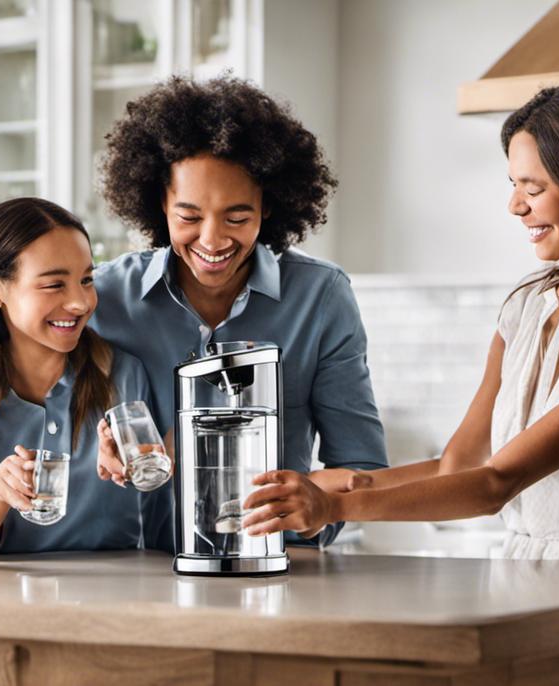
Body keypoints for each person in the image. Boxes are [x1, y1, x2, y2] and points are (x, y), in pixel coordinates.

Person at [243, 75, 559, 561]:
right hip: (533, 584)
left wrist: (337, 508)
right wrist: (350, 485)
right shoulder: (528, 308)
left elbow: (495, 484)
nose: (515, 205)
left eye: (534, 187)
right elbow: (458, 465)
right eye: (514, 184)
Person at [90, 75, 387, 550]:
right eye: (188, 217)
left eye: (237, 217)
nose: (212, 241)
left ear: (268, 205)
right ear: (157, 202)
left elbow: (362, 470)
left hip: (280, 576)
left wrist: (316, 511)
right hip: (140, 576)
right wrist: (98, 453)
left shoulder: (321, 298)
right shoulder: (104, 297)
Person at [0, 197, 156, 558]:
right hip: (2, 604)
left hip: (115, 600)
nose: (80, 302)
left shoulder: (123, 376)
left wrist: (141, 462)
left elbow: (156, 486)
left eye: (86, 280)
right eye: (54, 285)